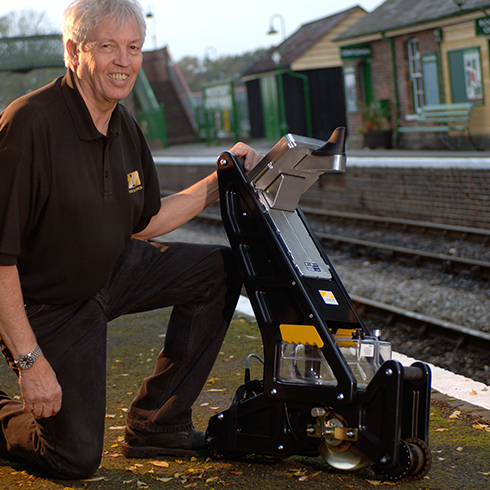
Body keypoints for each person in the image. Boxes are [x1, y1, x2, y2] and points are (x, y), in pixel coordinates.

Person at [0, 0, 262, 480]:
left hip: (112, 272)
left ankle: (157, 425)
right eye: (108, 47)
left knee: (221, 270)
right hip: (51, 305)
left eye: (134, 47)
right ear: (73, 51)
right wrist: (30, 361)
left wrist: (218, 182)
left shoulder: (123, 124)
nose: (124, 61)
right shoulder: (29, 124)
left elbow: (146, 219)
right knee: (73, 458)